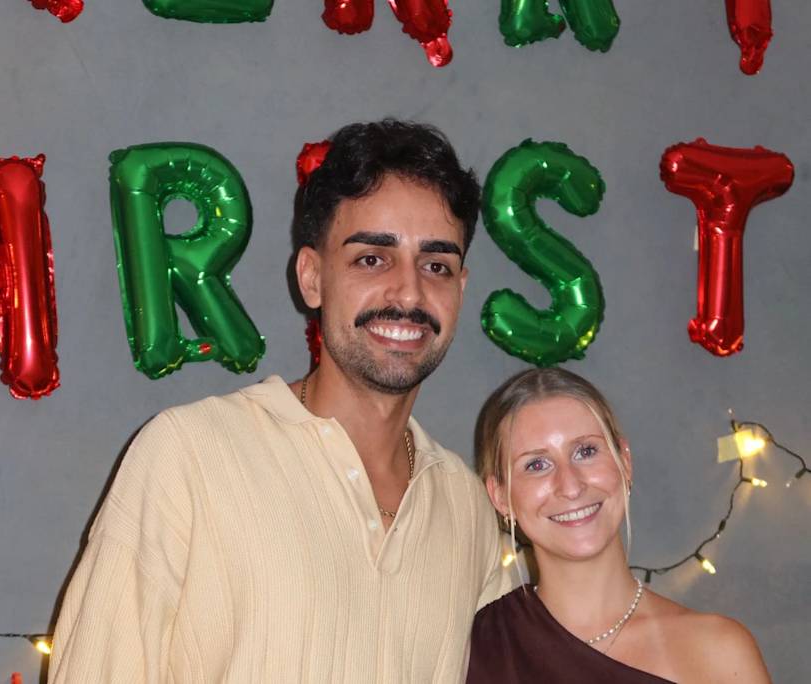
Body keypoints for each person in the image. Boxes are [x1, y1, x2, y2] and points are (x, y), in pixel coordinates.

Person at [49, 120, 507, 683]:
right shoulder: (188, 457)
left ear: (461, 289)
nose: (409, 292)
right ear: (312, 277)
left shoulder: (466, 507)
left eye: (436, 266)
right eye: (372, 258)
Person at [467, 367, 771, 683]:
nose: (570, 486)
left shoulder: (720, 652)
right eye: (536, 465)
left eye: (585, 451)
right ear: (500, 496)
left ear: (624, 461)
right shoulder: (475, 650)